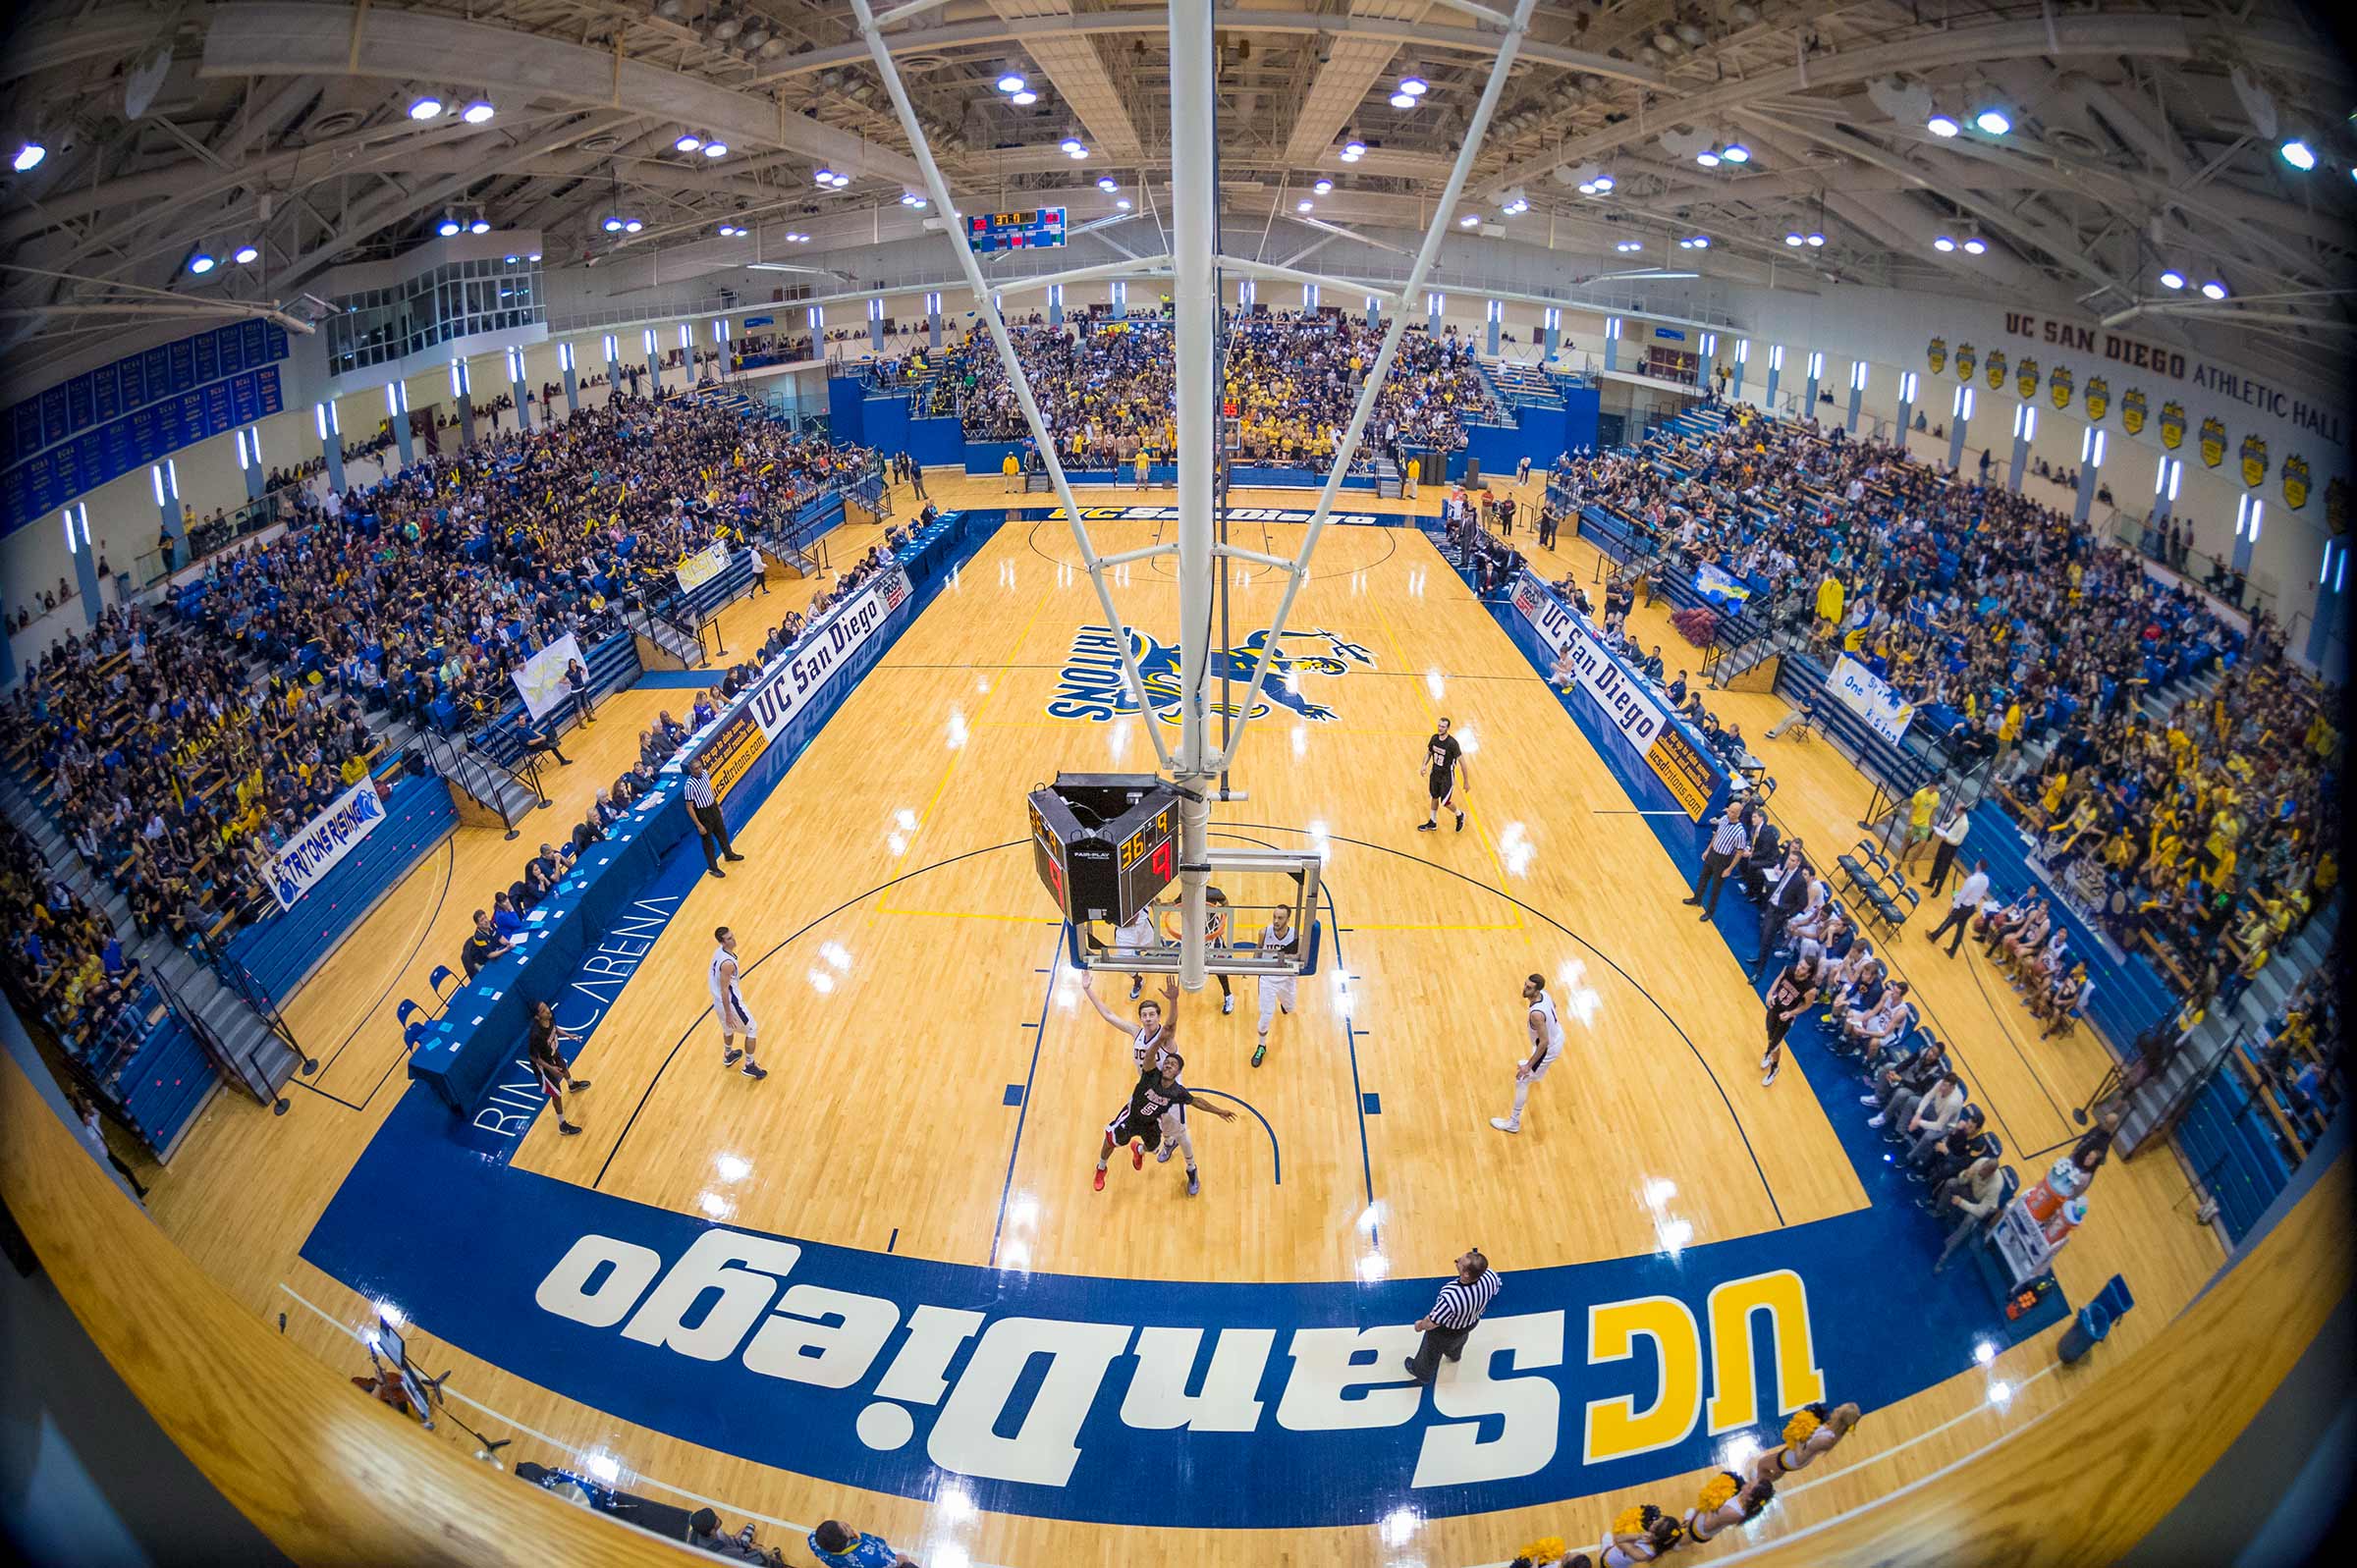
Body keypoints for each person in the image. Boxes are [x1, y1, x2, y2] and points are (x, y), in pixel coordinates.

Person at [1094, 1049, 1234, 1195]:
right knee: (1112, 1139)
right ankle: (1101, 1168)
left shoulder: (1177, 1091)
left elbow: (1197, 1101)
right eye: (1166, 1062)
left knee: (1154, 1147)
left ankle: (1139, 1150)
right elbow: (1149, 1056)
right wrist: (1161, 1037)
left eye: (1172, 1064)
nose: (1168, 1065)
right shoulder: (1151, 1076)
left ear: (1178, 1072)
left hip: (1150, 1123)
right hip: (1132, 1118)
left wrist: (1219, 1111)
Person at [1403, 1246, 1500, 1384]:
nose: (1457, 1261)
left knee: (1430, 1352)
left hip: (1446, 1331)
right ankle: (1454, 1355)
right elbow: (1496, 1289)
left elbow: (1433, 1321)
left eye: (1459, 1262)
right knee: (1460, 1340)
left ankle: (1422, 1373)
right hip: (1470, 1322)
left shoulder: (1451, 1295)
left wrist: (1420, 1326)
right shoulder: (1490, 1277)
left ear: (1466, 1274)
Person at [1492, 973, 1566, 1134]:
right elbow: (1554, 1005)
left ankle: (1513, 1122)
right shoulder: (1545, 995)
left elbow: (1544, 1043)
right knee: (1534, 1067)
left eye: (1529, 988)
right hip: (1558, 1034)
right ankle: (1536, 1073)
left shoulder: (1536, 1014)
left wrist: (1528, 1066)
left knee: (1522, 1079)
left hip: (1548, 1048)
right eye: (1525, 985)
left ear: (1537, 990)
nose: (1524, 989)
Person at [1759, 942, 1821, 1087]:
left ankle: (1774, 1069)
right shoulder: (1789, 969)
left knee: (1775, 1044)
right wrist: (1769, 993)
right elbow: (1778, 979)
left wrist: (1791, 1013)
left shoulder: (1810, 989)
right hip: (1775, 1007)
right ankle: (1768, 1052)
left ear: (1809, 973)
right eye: (1800, 965)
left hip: (1786, 1017)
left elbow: (1807, 1005)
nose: (1799, 968)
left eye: (1803, 968)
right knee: (1770, 1037)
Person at [708, 926, 767, 1079]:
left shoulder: (719, 952)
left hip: (718, 1002)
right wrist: (728, 1012)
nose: (733, 940)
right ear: (722, 942)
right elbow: (724, 989)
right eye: (729, 939)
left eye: (732, 936)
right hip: (731, 1003)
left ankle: (728, 1054)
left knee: (728, 1029)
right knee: (752, 1028)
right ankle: (750, 1065)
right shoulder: (727, 964)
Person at [68, 1086, 146, 1199]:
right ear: (81, 1122)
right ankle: (132, 1200)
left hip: (108, 1154)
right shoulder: (83, 1133)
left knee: (126, 1170)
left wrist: (85, 1102)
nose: (88, 1119)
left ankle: (139, 1191)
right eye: (85, 1119)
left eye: (87, 1117)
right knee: (119, 1182)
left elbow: (95, 1112)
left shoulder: (93, 1122)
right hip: (102, 1160)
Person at [1750, 1401, 1861, 1481]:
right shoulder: (1833, 1427)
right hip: (1799, 1452)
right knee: (1778, 1470)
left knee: (1762, 1464)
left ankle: (1759, 1483)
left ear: (1840, 1420)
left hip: (1794, 1458)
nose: (1835, 1409)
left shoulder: (1825, 1440)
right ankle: (1770, 1479)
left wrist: (1798, 1436)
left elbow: (1799, 1459)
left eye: (1838, 1411)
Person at [525, 1000, 590, 1136]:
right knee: (556, 1095)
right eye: (543, 1010)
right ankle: (562, 1125)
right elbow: (533, 1057)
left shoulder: (549, 1016)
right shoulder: (536, 1035)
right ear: (537, 1017)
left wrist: (567, 1034)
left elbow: (554, 1029)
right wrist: (550, 1068)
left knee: (564, 1067)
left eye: (546, 1007)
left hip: (553, 1052)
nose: (547, 1010)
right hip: (544, 1066)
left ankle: (572, 1085)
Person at [1932, 1154, 2006, 1271]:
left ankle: (1948, 1249)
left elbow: (1981, 1211)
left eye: (1984, 1171)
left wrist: (1961, 1202)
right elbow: (1961, 1181)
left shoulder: (1996, 1186)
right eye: (1982, 1167)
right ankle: (1939, 1210)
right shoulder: (1981, 1161)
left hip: (1985, 1206)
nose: (1980, 1170)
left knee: (1970, 1219)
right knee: (1951, 1183)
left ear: (1991, 1173)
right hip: (1971, 1192)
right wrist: (1965, 1175)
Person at [1750, 841, 1811, 976]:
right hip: (1772, 906)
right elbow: (1781, 887)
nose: (1789, 861)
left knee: (1767, 939)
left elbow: (1803, 903)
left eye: (1793, 860)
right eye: (1789, 858)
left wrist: (1788, 914)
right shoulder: (1788, 870)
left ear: (1798, 863)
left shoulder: (1799, 880)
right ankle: (1760, 959)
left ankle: (1759, 971)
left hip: (1779, 912)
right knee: (1763, 935)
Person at [1252, 901, 1301, 1068]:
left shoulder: (1295, 936)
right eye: (1274, 917)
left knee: (1290, 1008)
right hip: (1267, 978)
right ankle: (1261, 1046)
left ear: (1288, 919)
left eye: (1280, 918)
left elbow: (1299, 957)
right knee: (1265, 1016)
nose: (1276, 921)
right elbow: (1258, 950)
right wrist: (1251, 968)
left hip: (1286, 978)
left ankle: (1284, 1003)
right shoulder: (1264, 933)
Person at [1684, 800, 1752, 919]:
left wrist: (1730, 869)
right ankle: (1697, 899)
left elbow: (1739, 852)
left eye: (1732, 812)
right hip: (1713, 853)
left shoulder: (1740, 832)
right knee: (1703, 878)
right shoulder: (1725, 819)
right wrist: (1708, 850)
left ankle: (1710, 912)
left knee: (1716, 887)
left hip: (1723, 860)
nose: (1729, 813)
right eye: (1729, 810)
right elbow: (1716, 835)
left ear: (1738, 814)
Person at [684, 757, 743, 877]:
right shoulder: (689, 785)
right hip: (702, 813)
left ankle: (728, 854)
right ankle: (713, 868)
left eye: (700, 767)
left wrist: (717, 805)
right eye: (696, 769)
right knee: (708, 843)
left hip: (712, 808)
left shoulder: (705, 773)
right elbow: (689, 807)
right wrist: (699, 825)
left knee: (722, 833)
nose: (699, 770)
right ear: (691, 770)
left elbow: (709, 790)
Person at [1923, 857, 1991, 956]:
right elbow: (1981, 893)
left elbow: (1963, 894)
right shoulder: (1986, 880)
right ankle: (1952, 950)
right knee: (1960, 929)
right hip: (1972, 907)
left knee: (1949, 921)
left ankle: (1934, 936)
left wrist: (1954, 906)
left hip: (1964, 906)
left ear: (1978, 865)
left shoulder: (1972, 880)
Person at [1417, 716, 1468, 833]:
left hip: (1446, 776)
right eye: (1439, 725)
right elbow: (1429, 753)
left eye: (1443, 726)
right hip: (1435, 773)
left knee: (1445, 802)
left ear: (1448, 728)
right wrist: (1424, 765)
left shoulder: (1452, 743)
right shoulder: (1434, 738)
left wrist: (1466, 781)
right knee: (1434, 797)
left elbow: (1463, 763)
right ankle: (1432, 822)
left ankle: (1460, 815)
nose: (1440, 728)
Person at [805, 1519, 919, 1568]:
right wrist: (903, 1560)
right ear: (847, 1538)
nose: (847, 1524)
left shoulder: (814, 1540)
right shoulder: (872, 1554)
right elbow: (893, 1562)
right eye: (845, 1527)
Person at [1924, 799, 1970, 894]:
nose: (1955, 812)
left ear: (1961, 811)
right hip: (1945, 841)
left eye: (1956, 811)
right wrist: (1945, 826)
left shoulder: (1965, 825)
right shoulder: (1956, 815)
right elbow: (1951, 824)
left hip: (1951, 847)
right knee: (1937, 861)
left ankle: (1938, 889)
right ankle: (1931, 881)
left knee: (1944, 868)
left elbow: (1958, 841)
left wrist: (1947, 839)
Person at [565, 656, 596, 725]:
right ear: (569, 665)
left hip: (582, 689)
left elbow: (584, 670)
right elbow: (561, 680)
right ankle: (580, 724)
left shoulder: (579, 668)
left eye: (574, 662)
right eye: (571, 663)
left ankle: (589, 718)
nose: (573, 664)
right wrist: (568, 682)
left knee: (585, 704)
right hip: (575, 692)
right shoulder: (568, 672)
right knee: (577, 707)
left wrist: (583, 674)